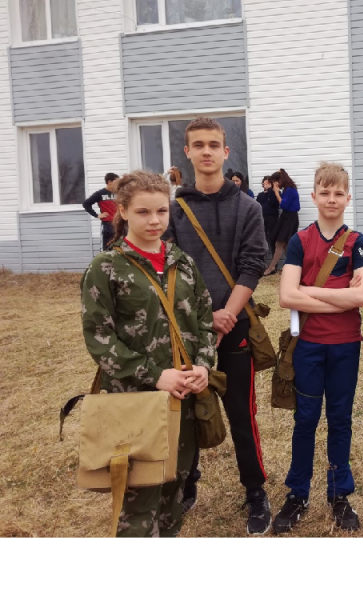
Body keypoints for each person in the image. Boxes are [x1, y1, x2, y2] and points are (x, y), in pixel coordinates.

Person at [80, 170, 216, 537]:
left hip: (183, 400)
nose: (154, 220)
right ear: (122, 211)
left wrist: (203, 366)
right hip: (136, 401)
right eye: (143, 212)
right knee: (139, 499)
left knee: (175, 489)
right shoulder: (106, 268)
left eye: (161, 211)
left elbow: (205, 319)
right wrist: (155, 375)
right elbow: (99, 338)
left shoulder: (182, 262)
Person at [162, 116, 272, 535]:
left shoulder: (249, 207)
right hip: (188, 330)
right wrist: (206, 318)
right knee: (187, 410)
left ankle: (255, 490)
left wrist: (226, 315)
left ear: (226, 152)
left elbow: (253, 264)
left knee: (242, 413)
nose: (206, 151)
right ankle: (186, 483)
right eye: (198, 145)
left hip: (235, 326)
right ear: (187, 153)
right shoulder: (174, 211)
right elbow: (169, 270)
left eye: (213, 145)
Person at [273, 162, 363, 534]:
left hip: (345, 346)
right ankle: (297, 493)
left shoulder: (358, 242)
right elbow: (286, 296)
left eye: (338, 193)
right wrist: (338, 298)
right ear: (314, 196)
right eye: (325, 192)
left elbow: (361, 297)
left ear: (349, 198)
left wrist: (309, 292)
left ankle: (339, 493)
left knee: (340, 420)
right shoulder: (300, 241)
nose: (332, 199)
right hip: (309, 346)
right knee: (306, 420)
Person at [265, 169, 300, 275]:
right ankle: (291, 266)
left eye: (275, 182)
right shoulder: (287, 189)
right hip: (285, 216)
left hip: (290, 217)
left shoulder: (290, 189)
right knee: (286, 244)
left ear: (280, 180)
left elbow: (284, 205)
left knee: (279, 243)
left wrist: (276, 193)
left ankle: (271, 267)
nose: (275, 184)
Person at [83, 172, 120, 249]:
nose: (118, 184)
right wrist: (97, 215)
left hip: (120, 224)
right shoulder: (100, 194)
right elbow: (86, 204)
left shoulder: (120, 193)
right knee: (107, 248)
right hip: (108, 225)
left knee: (122, 247)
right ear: (109, 182)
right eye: (116, 182)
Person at [256, 175, 279, 256]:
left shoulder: (275, 193)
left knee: (273, 237)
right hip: (263, 217)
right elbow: (257, 206)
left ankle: (274, 260)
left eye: (268, 183)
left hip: (272, 217)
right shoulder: (260, 195)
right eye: (264, 183)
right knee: (262, 238)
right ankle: (262, 258)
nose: (266, 185)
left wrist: (270, 190)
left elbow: (274, 203)